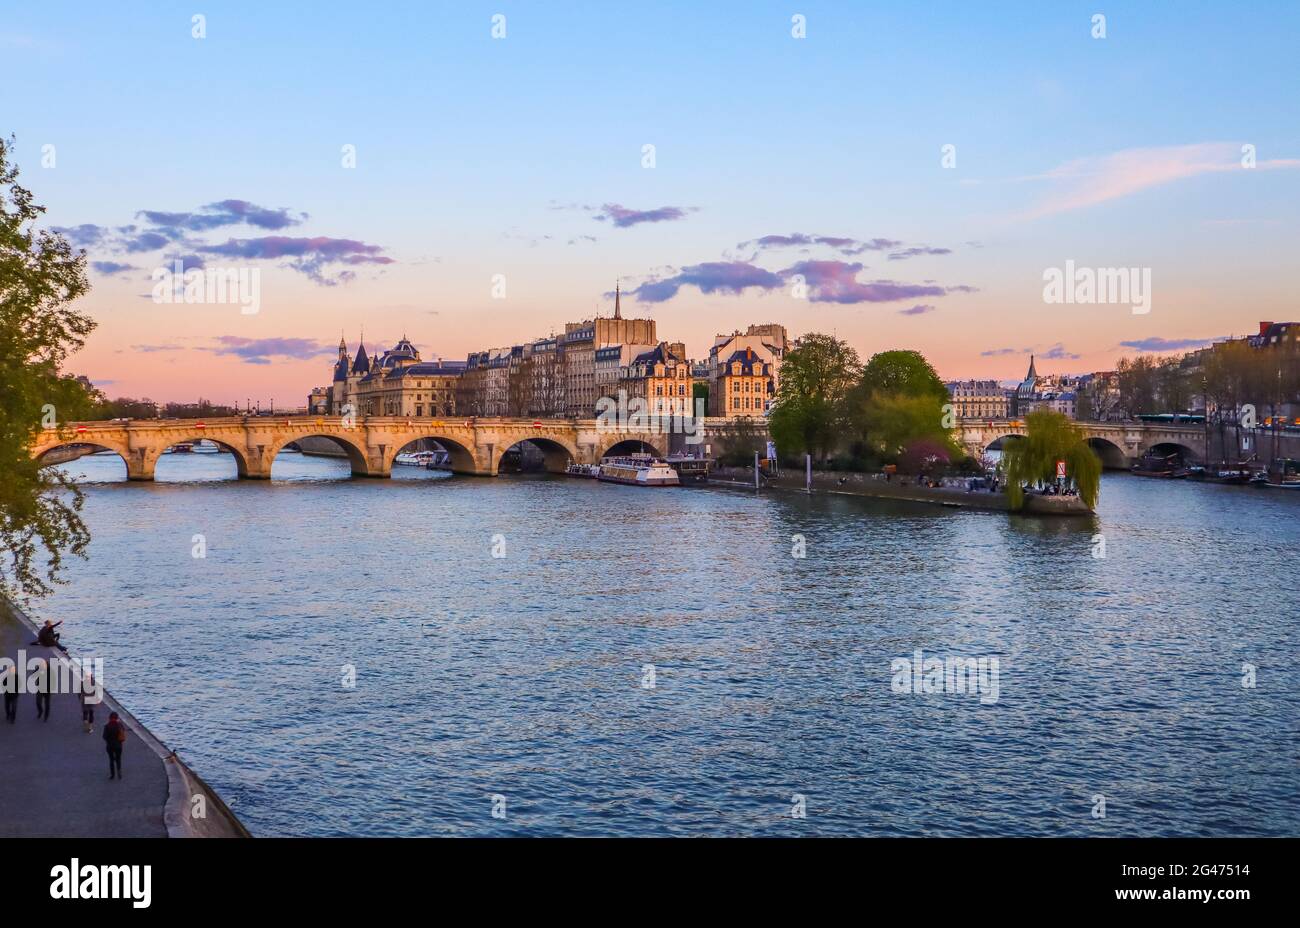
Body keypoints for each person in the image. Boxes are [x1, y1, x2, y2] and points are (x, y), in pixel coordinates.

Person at [103, 712, 127, 780]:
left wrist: (108, 741)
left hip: (110, 745)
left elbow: (104, 736)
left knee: (111, 759)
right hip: (118, 745)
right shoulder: (119, 725)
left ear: (109, 718)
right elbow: (123, 733)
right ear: (117, 718)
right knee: (118, 759)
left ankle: (112, 774)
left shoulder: (107, 726)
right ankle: (119, 771)